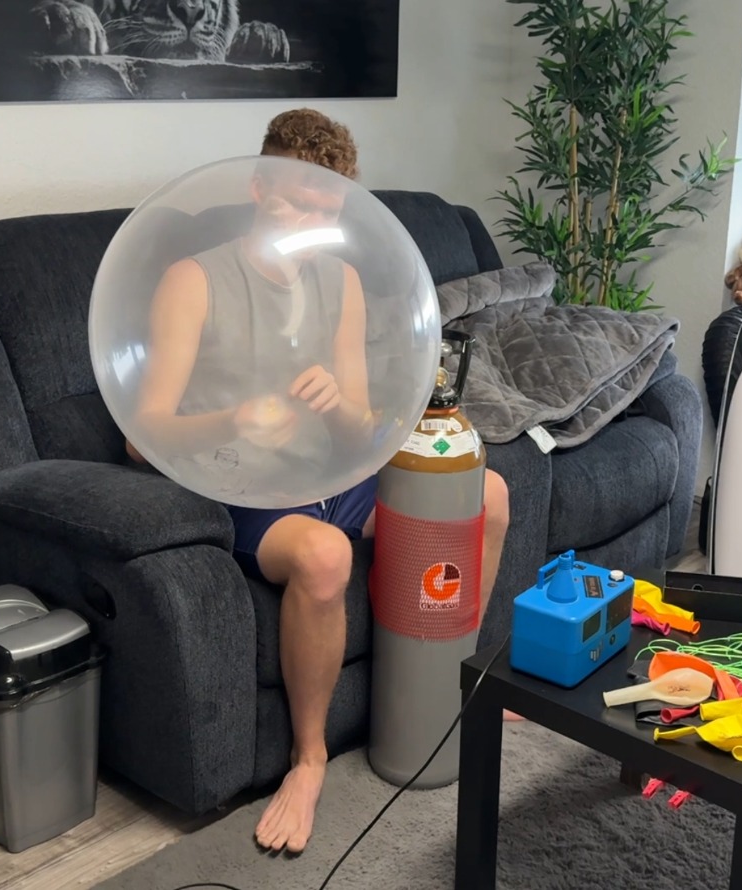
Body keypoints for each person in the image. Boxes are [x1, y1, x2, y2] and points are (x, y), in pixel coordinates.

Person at [126, 108, 512, 855]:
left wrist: (339, 408)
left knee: (484, 496)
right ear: (259, 186)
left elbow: (364, 430)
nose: (311, 223)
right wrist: (235, 420)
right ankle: (308, 761)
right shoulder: (193, 281)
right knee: (325, 556)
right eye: (296, 204)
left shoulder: (342, 279)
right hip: (243, 485)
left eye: (327, 210)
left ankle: (456, 684)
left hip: (336, 474)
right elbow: (143, 440)